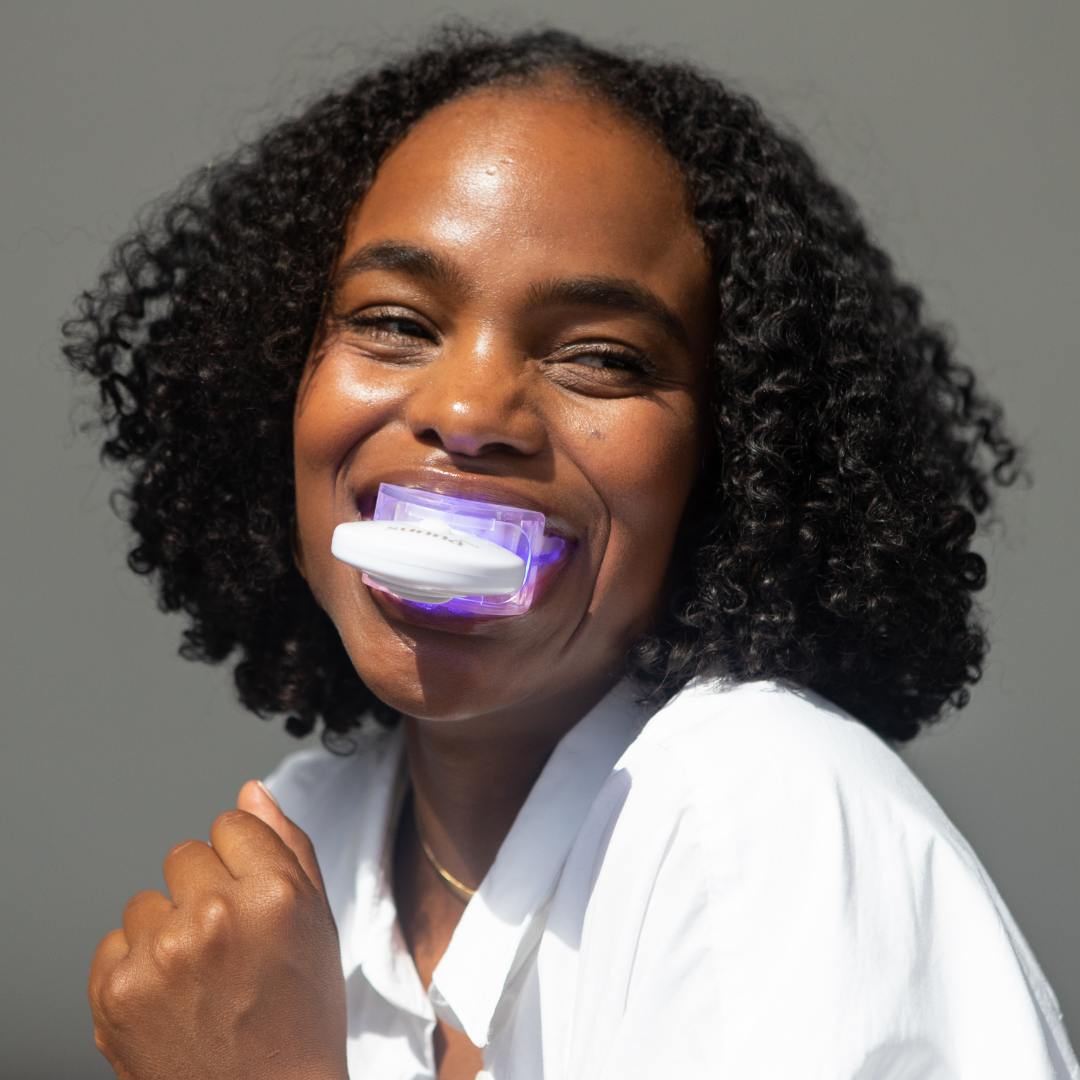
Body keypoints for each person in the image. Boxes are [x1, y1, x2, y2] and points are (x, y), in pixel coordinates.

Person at [64, 26, 1078, 1080]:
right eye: (395, 323)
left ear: (732, 459)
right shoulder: (305, 844)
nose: (468, 413)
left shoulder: (760, 816)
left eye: (601, 356)